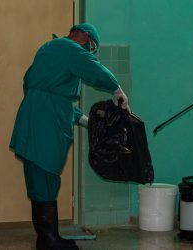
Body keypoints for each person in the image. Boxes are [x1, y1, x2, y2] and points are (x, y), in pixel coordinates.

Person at [9, 23, 130, 250]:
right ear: (81, 34)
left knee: (39, 178)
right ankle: (49, 240)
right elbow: (93, 69)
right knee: (45, 176)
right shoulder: (67, 47)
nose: (89, 51)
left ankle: (46, 237)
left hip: (37, 116)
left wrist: (84, 119)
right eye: (90, 45)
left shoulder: (49, 50)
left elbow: (49, 93)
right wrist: (116, 88)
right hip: (45, 122)